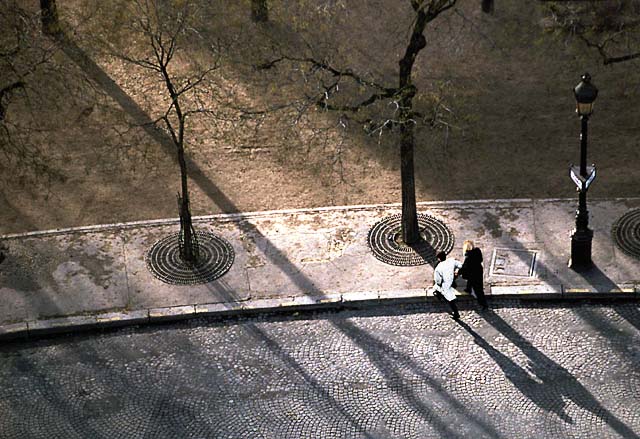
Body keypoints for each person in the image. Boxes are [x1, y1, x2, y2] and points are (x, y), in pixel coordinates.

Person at [429, 251, 462, 320]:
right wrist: (456, 271)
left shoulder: (438, 268)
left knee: (449, 299)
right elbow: (460, 265)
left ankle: (456, 313)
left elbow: (438, 280)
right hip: (452, 281)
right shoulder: (451, 261)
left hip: (445, 284)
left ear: (439, 258)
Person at [460, 240, 488, 310]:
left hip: (472, 274)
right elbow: (481, 259)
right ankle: (468, 289)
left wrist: (459, 272)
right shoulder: (477, 250)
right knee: (477, 285)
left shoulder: (468, 257)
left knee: (478, 290)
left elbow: (464, 267)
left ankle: (483, 304)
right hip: (478, 270)